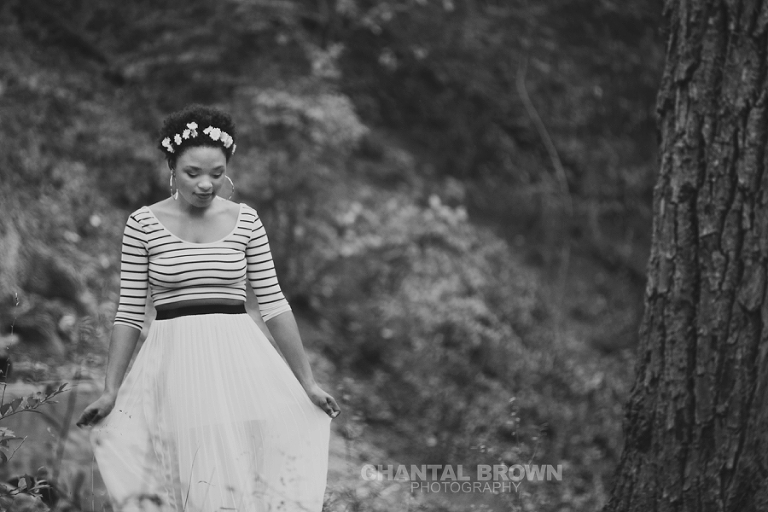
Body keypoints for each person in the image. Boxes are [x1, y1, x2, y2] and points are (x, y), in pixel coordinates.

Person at [76, 104, 340, 512]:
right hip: (174, 365)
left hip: (240, 364)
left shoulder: (246, 221)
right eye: (193, 173)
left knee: (239, 474)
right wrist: (111, 389)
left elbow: (272, 303)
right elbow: (129, 312)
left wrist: (306, 381)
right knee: (189, 475)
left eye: (216, 174)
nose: (205, 184)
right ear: (172, 168)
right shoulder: (142, 224)